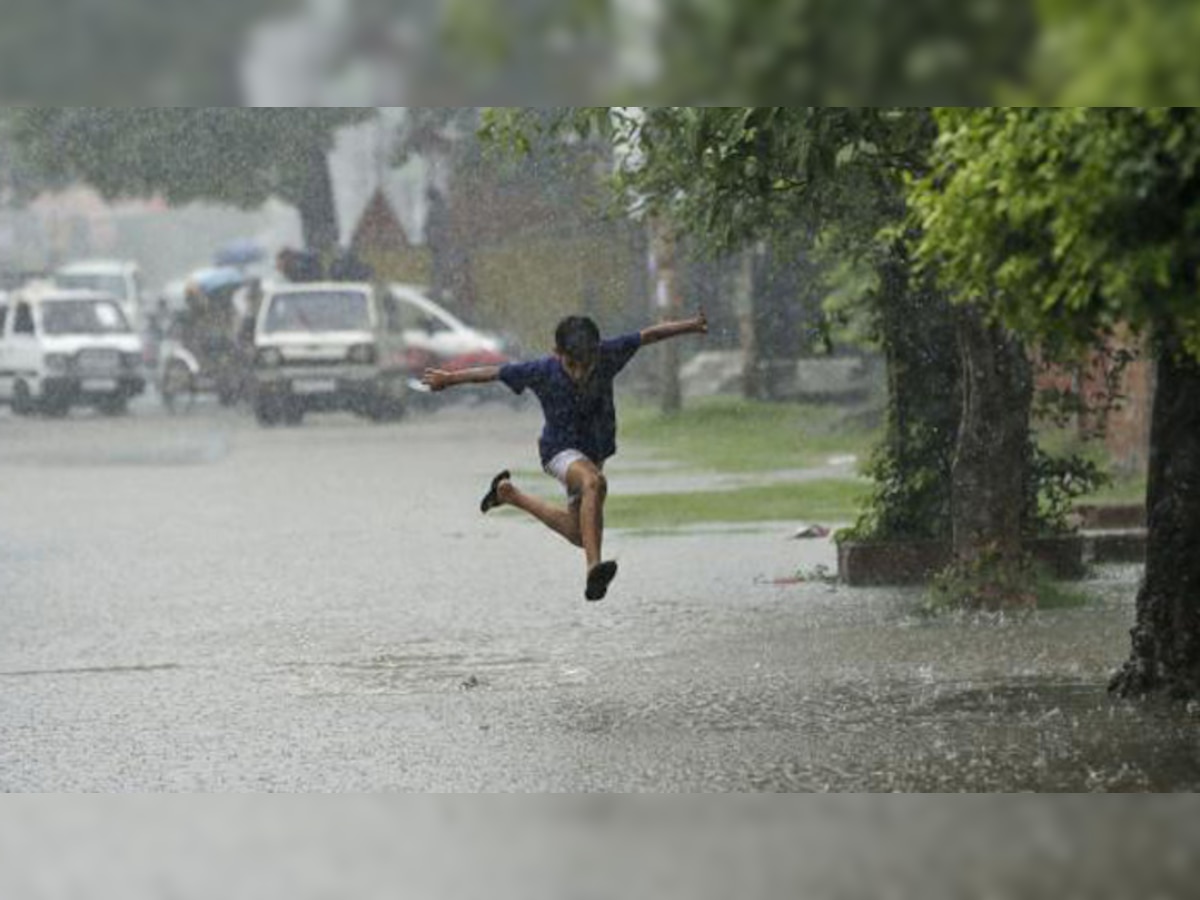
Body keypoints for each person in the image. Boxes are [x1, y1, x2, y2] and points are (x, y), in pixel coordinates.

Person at [421, 310, 708, 601]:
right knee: (594, 483)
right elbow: (494, 372)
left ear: (597, 351)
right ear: (557, 353)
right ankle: (593, 568)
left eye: (587, 365)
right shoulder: (541, 370)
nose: (579, 374)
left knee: (580, 534)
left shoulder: (609, 354)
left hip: (594, 450)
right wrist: (450, 378)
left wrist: (691, 326)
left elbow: (649, 335)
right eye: (572, 365)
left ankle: (509, 494)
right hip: (559, 451)